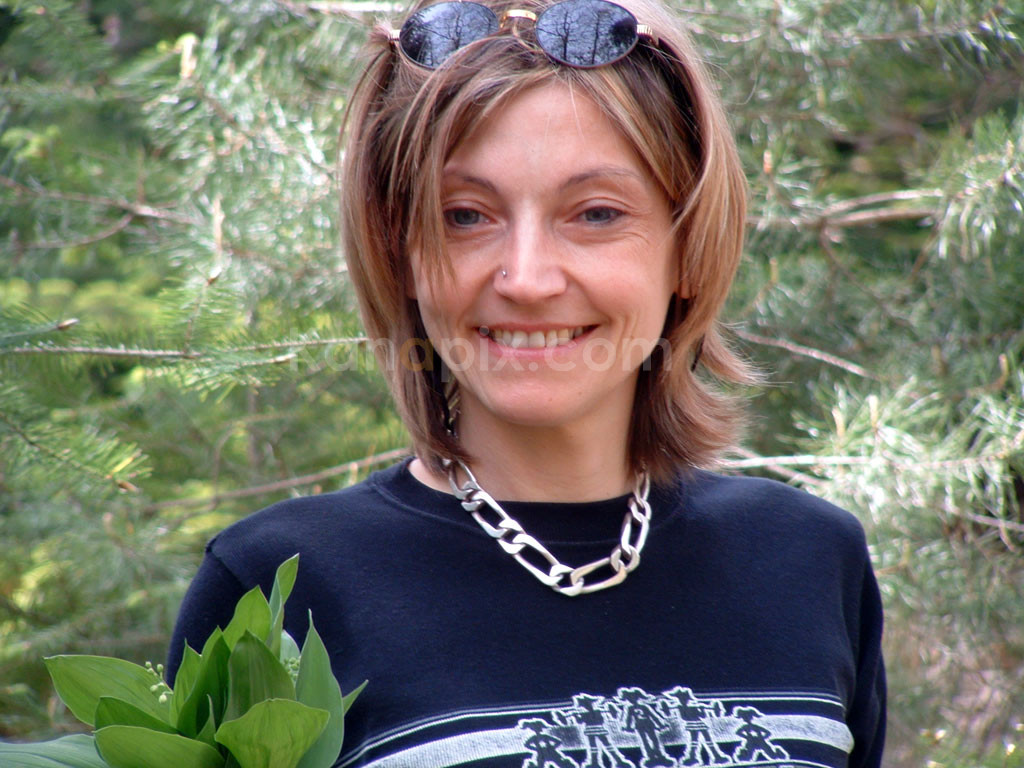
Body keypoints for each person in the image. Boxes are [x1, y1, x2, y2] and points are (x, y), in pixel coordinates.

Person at [167, 0, 886, 765]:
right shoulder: (278, 589)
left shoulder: (811, 558)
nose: (528, 278)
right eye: (465, 216)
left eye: (596, 214)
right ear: (399, 249)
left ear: (687, 246)